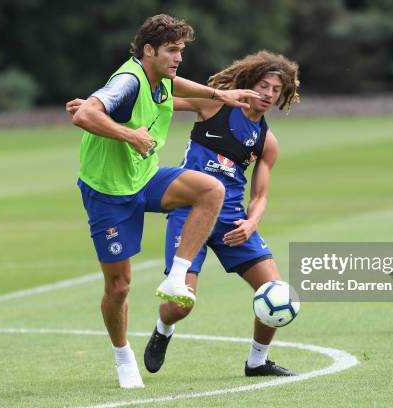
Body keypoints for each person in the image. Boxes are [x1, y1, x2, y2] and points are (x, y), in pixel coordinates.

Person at [68, 14, 260, 388]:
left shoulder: (161, 79)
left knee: (210, 190)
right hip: (109, 192)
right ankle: (123, 357)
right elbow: (87, 115)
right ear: (148, 50)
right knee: (119, 286)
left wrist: (221, 95)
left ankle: (177, 276)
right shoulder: (127, 80)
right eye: (172, 50)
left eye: (181, 51)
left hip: (145, 177)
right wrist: (130, 136)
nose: (178, 58)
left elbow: (175, 87)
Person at [142, 50, 300, 377]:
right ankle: (163, 329)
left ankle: (257, 360)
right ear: (248, 83)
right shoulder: (215, 106)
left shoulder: (267, 141)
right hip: (189, 213)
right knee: (180, 305)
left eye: (276, 90)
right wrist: (108, 109)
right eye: (263, 85)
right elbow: (162, 99)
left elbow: (260, 194)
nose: (268, 94)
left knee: (276, 291)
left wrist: (252, 221)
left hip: (231, 222)